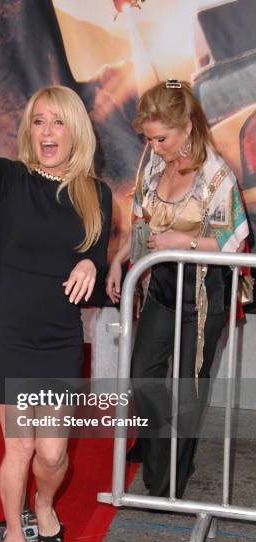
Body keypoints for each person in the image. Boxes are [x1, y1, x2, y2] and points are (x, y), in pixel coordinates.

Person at [0, 28, 112, 542]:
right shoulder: (11, 179)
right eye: (38, 121)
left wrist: (89, 262)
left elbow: (93, 243)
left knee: (54, 453)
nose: (46, 132)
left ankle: (44, 503)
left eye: (57, 121)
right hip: (11, 330)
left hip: (60, 335)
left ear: (75, 131)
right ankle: (17, 533)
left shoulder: (94, 191)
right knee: (20, 446)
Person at [107, 79, 249, 499]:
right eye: (148, 138)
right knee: (142, 375)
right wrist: (119, 262)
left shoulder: (215, 175)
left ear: (187, 127)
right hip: (162, 289)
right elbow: (140, 222)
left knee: (188, 390)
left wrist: (180, 242)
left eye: (161, 138)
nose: (154, 146)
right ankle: (155, 444)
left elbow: (234, 242)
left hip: (204, 299)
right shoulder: (152, 164)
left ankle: (167, 483)